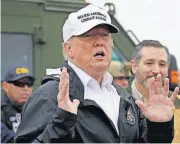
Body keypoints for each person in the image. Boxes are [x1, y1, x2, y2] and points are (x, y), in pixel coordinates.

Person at [15, 4, 179, 143]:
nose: (100, 41)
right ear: (69, 49)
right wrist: (61, 124)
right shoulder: (49, 96)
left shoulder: (123, 98)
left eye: (105, 35)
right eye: (89, 36)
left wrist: (159, 127)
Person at [126, 40, 180, 143]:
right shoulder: (115, 101)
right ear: (134, 66)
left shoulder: (178, 104)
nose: (156, 70)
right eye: (149, 63)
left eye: (162, 64)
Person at [1, 64, 35, 142]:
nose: (26, 88)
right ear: (6, 86)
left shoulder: (37, 109)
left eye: (29, 83)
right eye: (20, 83)